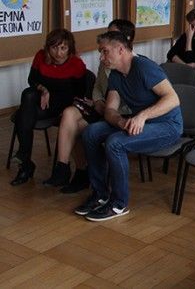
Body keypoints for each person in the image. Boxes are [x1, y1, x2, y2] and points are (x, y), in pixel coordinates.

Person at [76, 31, 182, 221]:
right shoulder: (115, 74)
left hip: (167, 125)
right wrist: (120, 121)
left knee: (115, 143)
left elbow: (173, 99)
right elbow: (110, 110)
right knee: (91, 132)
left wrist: (142, 116)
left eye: (105, 51)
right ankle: (100, 194)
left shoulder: (143, 67)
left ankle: (119, 204)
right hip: (140, 122)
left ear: (120, 49)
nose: (101, 57)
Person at [43, 20, 135, 193]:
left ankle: (81, 172)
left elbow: (133, 99)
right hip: (99, 107)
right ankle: (62, 167)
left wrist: (109, 108)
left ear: (125, 40)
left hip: (119, 114)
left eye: (112, 34)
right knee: (68, 113)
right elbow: (98, 87)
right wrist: (98, 102)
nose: (107, 38)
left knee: (74, 127)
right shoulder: (105, 59)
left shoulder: (133, 64)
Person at [10, 29, 87, 186]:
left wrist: (69, 111)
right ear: (48, 47)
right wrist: (44, 90)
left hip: (64, 106)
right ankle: (25, 160)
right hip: (43, 102)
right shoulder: (41, 56)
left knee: (21, 116)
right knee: (28, 94)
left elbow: (81, 93)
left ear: (70, 48)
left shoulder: (76, 64)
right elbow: (32, 79)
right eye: (54, 48)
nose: (58, 53)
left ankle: (25, 163)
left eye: (63, 48)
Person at [166, 9, 195, 74]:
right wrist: (185, 65)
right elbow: (170, 54)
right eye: (192, 26)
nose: (194, 29)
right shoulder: (186, 35)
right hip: (177, 70)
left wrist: (189, 39)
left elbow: (190, 60)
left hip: (191, 76)